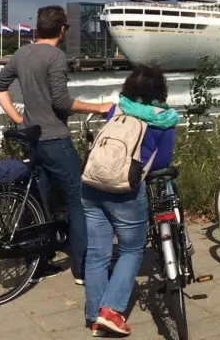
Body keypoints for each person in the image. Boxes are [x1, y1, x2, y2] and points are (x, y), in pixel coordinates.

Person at [0, 5, 114, 285]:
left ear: (38, 28)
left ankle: (37, 262)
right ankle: (83, 269)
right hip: (55, 139)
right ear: (62, 30)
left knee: (38, 198)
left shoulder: (21, 53)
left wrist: (19, 119)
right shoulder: (56, 56)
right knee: (78, 199)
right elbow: (61, 102)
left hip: (31, 139)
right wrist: (99, 107)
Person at [84, 64, 179, 336]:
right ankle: (111, 311)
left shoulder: (117, 110)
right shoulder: (163, 120)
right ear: (160, 90)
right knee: (132, 249)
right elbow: (161, 163)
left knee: (97, 253)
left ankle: (94, 316)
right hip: (125, 190)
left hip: (91, 185)